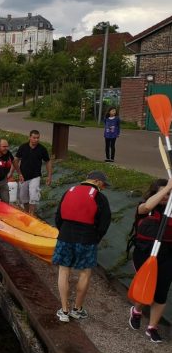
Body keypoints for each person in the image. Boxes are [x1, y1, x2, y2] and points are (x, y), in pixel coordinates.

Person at [52, 170, 112, 323]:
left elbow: (58, 216)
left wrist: (63, 231)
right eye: (103, 185)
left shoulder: (69, 191)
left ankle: (64, 310)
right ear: (97, 181)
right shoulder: (100, 197)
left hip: (65, 235)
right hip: (87, 237)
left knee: (64, 270)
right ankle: (77, 310)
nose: (103, 188)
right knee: (85, 272)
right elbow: (104, 223)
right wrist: (95, 238)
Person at [129, 178, 172, 342]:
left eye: (168, 194)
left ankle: (152, 327)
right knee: (147, 286)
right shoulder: (144, 208)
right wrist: (167, 187)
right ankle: (137, 310)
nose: (165, 196)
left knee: (161, 293)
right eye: (162, 193)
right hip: (145, 252)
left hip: (167, 254)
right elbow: (147, 206)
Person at [14, 130, 53, 215]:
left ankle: (31, 214)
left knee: (33, 196)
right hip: (23, 176)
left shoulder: (42, 149)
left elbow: (48, 161)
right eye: (34, 138)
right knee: (24, 198)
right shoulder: (23, 147)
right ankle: (26, 212)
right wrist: (18, 173)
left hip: (35, 176)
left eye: (38, 138)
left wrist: (49, 176)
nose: (36, 140)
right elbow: (16, 160)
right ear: (30, 137)